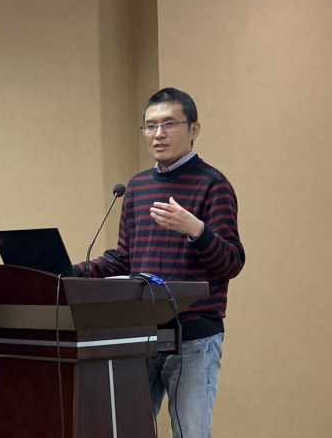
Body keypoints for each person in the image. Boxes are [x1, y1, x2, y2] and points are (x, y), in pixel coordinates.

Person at [74, 87, 245, 438]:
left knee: (190, 433)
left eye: (169, 124)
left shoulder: (212, 185)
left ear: (193, 129)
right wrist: (70, 272)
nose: (158, 134)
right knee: (128, 430)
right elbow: (124, 259)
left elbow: (231, 262)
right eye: (150, 126)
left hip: (193, 337)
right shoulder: (136, 188)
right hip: (139, 333)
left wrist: (195, 229)